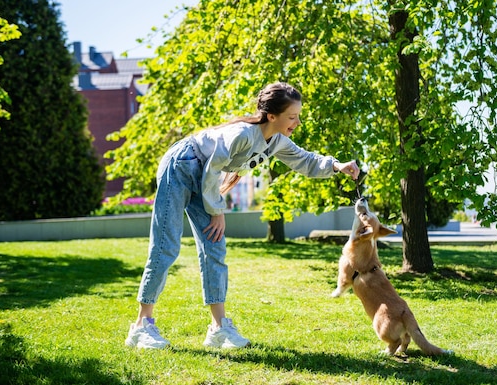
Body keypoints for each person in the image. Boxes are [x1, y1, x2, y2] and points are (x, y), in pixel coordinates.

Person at [125, 82, 360, 349]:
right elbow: (213, 169)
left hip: (203, 178)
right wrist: (217, 211)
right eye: (292, 117)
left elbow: (305, 160)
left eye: (298, 116)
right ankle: (141, 326)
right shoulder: (242, 134)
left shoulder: (276, 141)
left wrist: (337, 166)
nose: (297, 122)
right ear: (272, 116)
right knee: (166, 245)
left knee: (214, 246)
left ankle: (218, 329)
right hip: (181, 166)